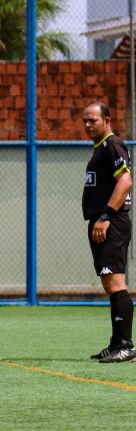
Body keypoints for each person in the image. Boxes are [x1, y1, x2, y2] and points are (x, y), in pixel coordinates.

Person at [82, 101, 136, 363]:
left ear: (107, 120)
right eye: (85, 120)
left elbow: (126, 181)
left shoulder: (113, 144)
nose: (88, 124)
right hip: (102, 223)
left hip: (111, 222)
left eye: (93, 120)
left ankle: (126, 345)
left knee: (116, 283)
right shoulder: (100, 148)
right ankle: (117, 344)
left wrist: (105, 216)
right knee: (109, 283)